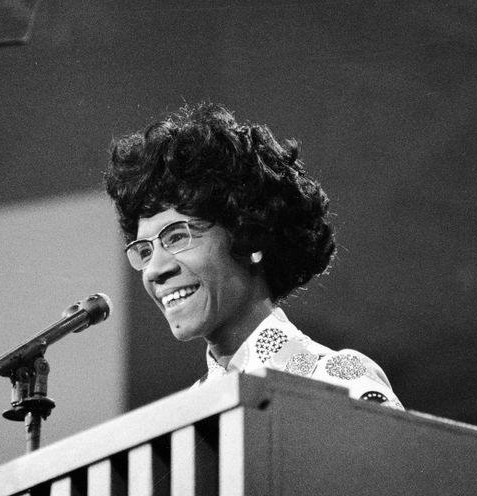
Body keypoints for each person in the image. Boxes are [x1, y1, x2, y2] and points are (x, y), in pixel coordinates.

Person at [103, 103, 402, 409]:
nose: (155, 269)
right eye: (144, 250)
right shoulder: (181, 420)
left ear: (251, 236)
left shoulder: (336, 380)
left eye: (177, 237)